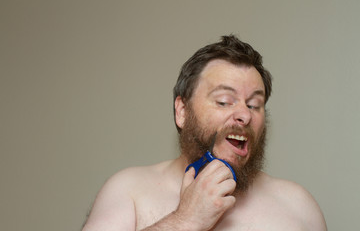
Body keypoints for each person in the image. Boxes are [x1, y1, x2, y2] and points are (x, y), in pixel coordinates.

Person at [82, 35, 327, 231]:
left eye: (254, 105)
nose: (245, 114)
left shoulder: (298, 207)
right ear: (182, 111)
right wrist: (184, 221)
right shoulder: (129, 192)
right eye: (224, 101)